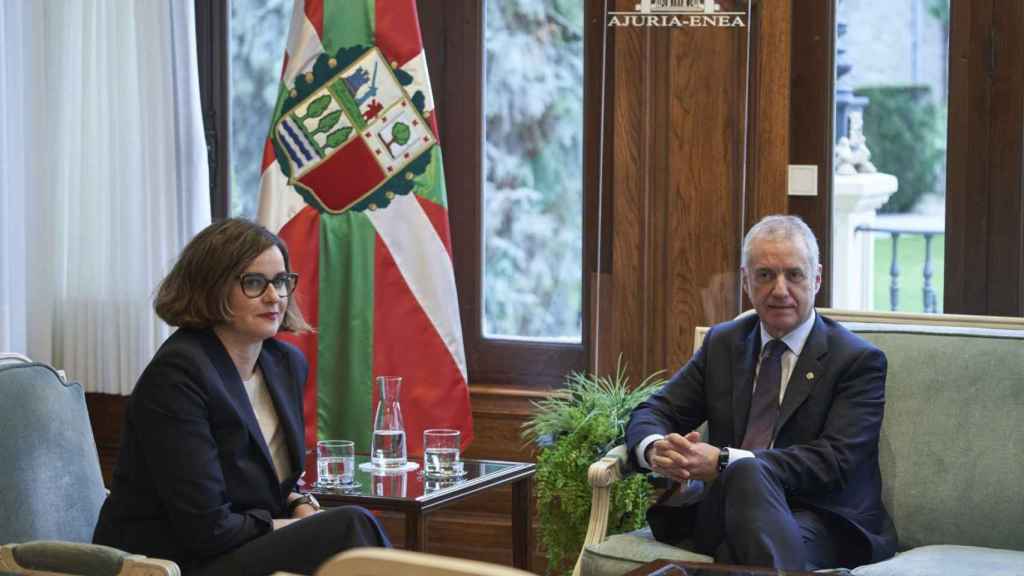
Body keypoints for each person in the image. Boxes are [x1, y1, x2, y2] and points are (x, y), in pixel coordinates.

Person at [93, 219, 390, 575]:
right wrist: (290, 526)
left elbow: (266, 481)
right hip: (171, 562)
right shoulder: (177, 376)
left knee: (348, 533)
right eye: (254, 283)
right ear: (212, 289)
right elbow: (206, 529)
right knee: (349, 527)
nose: (275, 296)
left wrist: (298, 503)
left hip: (237, 547)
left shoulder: (285, 364)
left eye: (281, 281)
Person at [625, 215, 897, 570]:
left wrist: (725, 461)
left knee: (738, 528)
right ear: (745, 281)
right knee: (744, 485)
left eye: (794, 274)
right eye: (765, 275)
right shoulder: (724, 343)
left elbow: (835, 460)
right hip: (723, 510)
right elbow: (655, 410)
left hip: (819, 515)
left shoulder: (857, 360)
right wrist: (656, 450)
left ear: (816, 278)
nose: (780, 290)